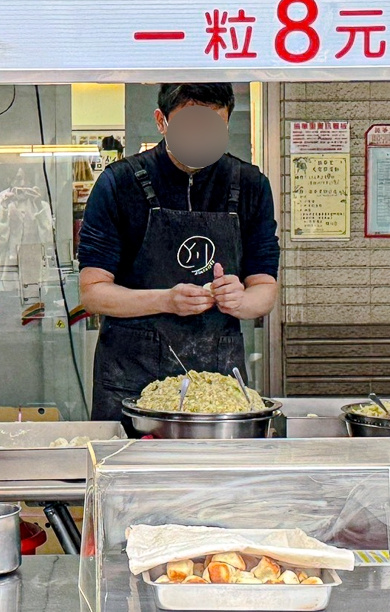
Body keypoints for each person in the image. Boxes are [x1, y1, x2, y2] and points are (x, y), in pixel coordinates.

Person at [77, 83, 280, 424]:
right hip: (130, 377)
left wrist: (239, 301)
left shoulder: (250, 185)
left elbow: (265, 289)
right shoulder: (119, 184)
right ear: (162, 121)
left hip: (217, 381)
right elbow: (93, 293)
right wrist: (166, 301)